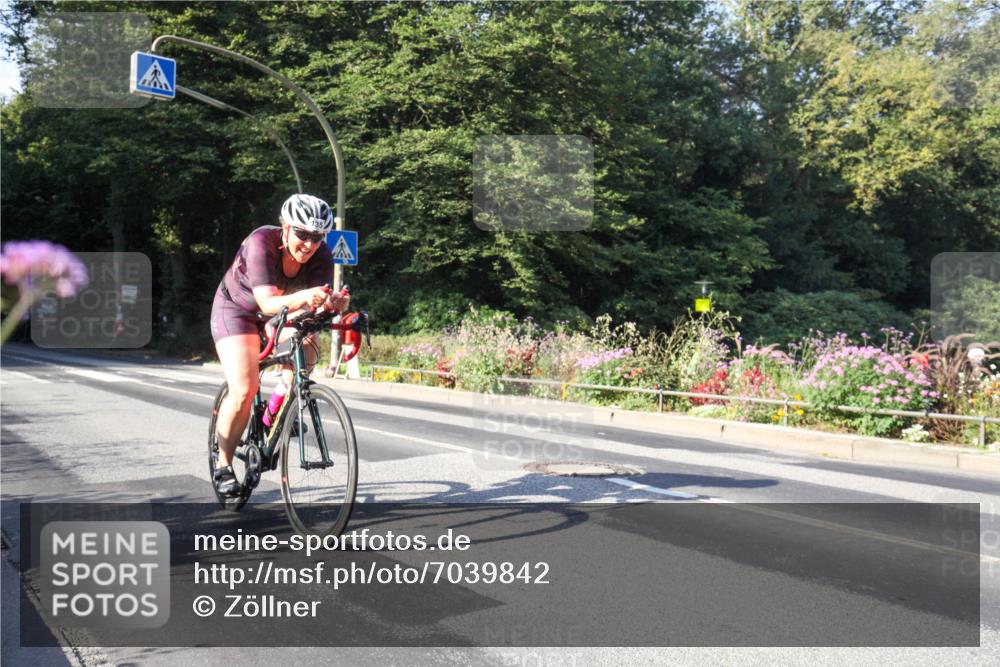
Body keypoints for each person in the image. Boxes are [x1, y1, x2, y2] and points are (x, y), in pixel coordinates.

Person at [209, 193, 349, 496]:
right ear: (285, 228)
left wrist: (331, 305)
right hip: (238, 310)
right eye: (302, 234)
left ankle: (277, 410)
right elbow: (266, 301)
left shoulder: (322, 255)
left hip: (282, 311)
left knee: (308, 341)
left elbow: (313, 308)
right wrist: (306, 297)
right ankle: (223, 463)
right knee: (244, 390)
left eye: (317, 237)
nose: (310, 244)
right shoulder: (261, 242)